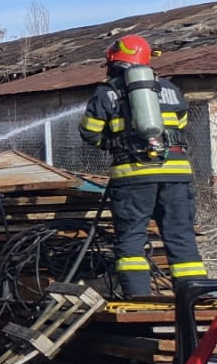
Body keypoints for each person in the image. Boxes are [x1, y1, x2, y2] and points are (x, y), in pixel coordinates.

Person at [80, 34, 205, 301]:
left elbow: (89, 132)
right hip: (177, 174)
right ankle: (196, 298)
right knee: (181, 237)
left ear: (114, 59)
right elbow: (180, 126)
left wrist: (116, 144)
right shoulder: (171, 88)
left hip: (134, 175)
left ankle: (139, 299)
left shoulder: (107, 91)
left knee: (131, 239)